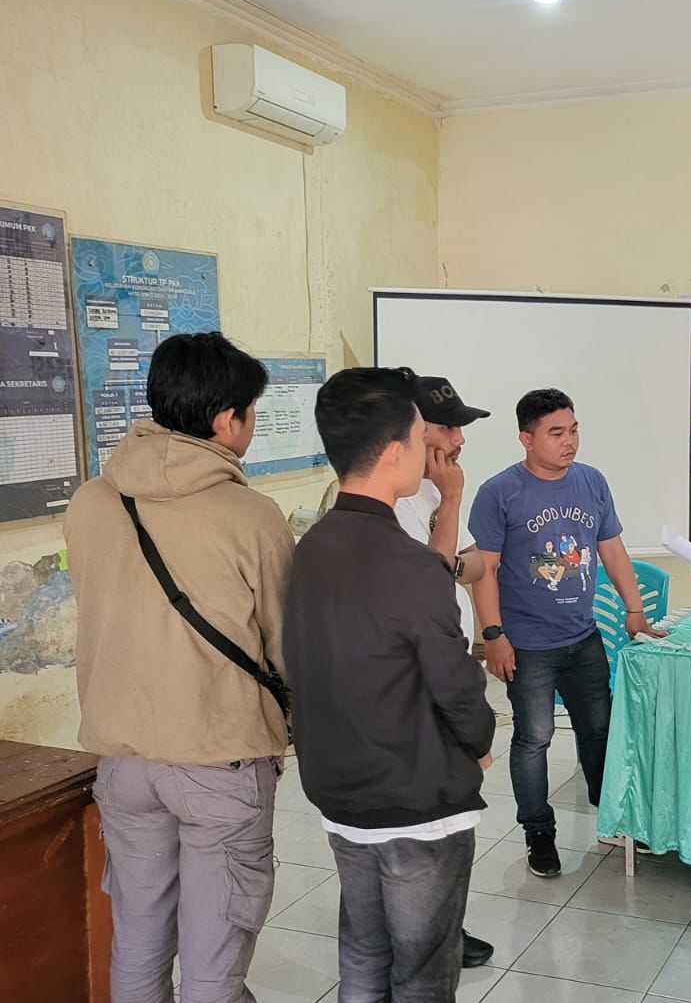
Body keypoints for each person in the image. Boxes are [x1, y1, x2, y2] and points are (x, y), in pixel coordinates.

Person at [65, 332, 294, 1003]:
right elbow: (286, 645)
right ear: (226, 420)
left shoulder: (91, 501)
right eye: (250, 410)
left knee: (137, 943)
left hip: (123, 760)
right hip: (219, 759)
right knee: (213, 958)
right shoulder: (252, 517)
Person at [285, 366, 495, 1001]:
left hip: (340, 789)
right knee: (423, 968)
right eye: (419, 433)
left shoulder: (312, 545)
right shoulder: (410, 563)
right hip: (413, 797)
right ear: (394, 450)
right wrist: (479, 742)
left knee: (364, 950)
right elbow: (456, 683)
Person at [469, 388, 661, 877]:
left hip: (583, 637)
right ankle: (538, 831)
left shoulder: (591, 481)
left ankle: (612, 815)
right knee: (534, 739)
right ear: (526, 439)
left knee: (599, 729)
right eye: (556, 433)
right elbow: (483, 570)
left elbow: (612, 549)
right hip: (527, 644)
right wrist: (493, 635)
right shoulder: (499, 492)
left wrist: (634, 608)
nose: (569, 441)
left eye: (573, 430)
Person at [391, 374, 495, 970]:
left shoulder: (432, 489)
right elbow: (433, 581)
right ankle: (424, 937)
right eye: (448, 428)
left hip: (448, 668)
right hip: (418, 679)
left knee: (450, 817)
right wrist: (451, 506)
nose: (458, 440)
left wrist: (449, 556)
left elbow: (476, 565)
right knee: (425, 822)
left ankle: (442, 928)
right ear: (413, 431)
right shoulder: (399, 499)